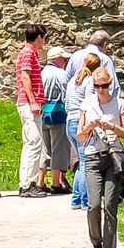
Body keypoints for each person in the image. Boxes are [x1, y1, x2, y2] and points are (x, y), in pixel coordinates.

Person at [77, 63, 124, 248]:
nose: (101, 90)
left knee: (110, 205)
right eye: (97, 86)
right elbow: (80, 135)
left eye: (104, 86)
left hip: (113, 158)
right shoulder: (87, 103)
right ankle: (97, 242)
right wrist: (88, 127)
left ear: (110, 85)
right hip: (93, 156)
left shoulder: (120, 104)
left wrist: (113, 127)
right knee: (93, 205)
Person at [14, 25, 50, 198]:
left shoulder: (27, 52)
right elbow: (25, 76)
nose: (44, 41)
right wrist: (33, 101)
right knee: (34, 143)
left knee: (31, 144)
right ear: (38, 37)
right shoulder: (28, 53)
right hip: (30, 104)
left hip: (27, 103)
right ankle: (28, 184)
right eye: (44, 37)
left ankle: (26, 182)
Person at [65, 52, 101, 212]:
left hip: (69, 122)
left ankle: (76, 199)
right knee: (86, 163)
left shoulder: (73, 80)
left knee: (81, 162)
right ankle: (86, 201)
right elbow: (88, 103)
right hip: (80, 122)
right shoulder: (89, 82)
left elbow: (66, 103)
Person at [40, 48, 73, 194]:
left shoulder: (42, 72)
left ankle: (40, 181)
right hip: (58, 112)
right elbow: (66, 95)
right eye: (63, 59)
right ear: (57, 59)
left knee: (45, 148)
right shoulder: (61, 74)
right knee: (58, 148)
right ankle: (56, 183)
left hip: (43, 111)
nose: (65, 62)